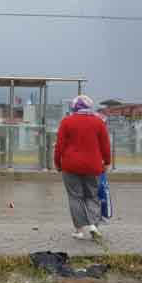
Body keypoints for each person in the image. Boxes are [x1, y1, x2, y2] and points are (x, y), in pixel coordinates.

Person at [54, 95, 111, 241]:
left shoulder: (66, 122)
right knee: (93, 196)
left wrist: (57, 163)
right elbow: (105, 145)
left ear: (74, 107)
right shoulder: (99, 123)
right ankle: (94, 226)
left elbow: (59, 145)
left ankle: (79, 230)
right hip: (93, 166)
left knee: (75, 197)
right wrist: (107, 162)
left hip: (70, 165)